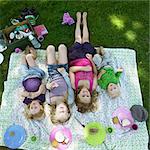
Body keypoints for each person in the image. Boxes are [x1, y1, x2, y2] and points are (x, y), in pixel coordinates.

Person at [68, 12, 98, 113]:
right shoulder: (92, 86)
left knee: (78, 39)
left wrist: (82, 68)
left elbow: (71, 70)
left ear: (78, 95)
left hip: (76, 59)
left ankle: (78, 21)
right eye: (87, 95)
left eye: (83, 96)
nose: (85, 93)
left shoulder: (74, 85)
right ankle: (84, 20)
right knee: (85, 40)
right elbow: (95, 73)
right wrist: (91, 60)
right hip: (87, 58)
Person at [46, 44, 74, 124]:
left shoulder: (49, 100)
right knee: (62, 47)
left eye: (60, 112)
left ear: (54, 112)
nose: (62, 110)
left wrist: (49, 85)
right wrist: (64, 73)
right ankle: (58, 60)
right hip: (63, 71)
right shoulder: (69, 100)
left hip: (52, 73)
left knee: (50, 48)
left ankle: (52, 60)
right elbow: (69, 85)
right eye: (64, 112)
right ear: (68, 111)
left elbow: (46, 87)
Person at [20, 46, 46, 120]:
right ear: (41, 106)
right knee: (28, 57)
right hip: (35, 74)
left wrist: (28, 94)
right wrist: (37, 93)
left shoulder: (28, 101)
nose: (33, 105)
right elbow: (43, 86)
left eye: (32, 107)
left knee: (23, 58)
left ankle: (24, 52)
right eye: (36, 107)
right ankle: (33, 55)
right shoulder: (41, 98)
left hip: (25, 76)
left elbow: (21, 93)